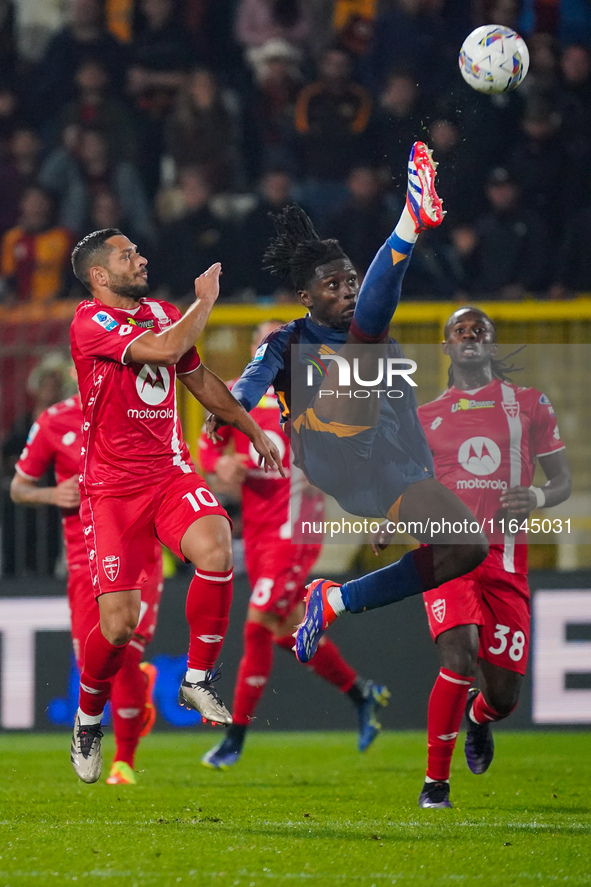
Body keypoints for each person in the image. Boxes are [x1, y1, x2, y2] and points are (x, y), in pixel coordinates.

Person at [206, 143, 488, 676]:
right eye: (333, 286)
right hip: (327, 447)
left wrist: (405, 497)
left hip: (381, 472)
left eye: (353, 282)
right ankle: (411, 218)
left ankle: (335, 600)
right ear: (305, 297)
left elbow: (404, 420)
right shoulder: (289, 339)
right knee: (363, 346)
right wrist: (231, 408)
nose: (347, 292)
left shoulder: (384, 347)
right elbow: (251, 383)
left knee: (466, 547)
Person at [68, 226, 284, 784]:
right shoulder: (90, 322)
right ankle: (89, 719)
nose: (140, 259)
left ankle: (198, 676)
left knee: (215, 543)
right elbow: (166, 349)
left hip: (169, 473)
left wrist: (247, 427)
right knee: (119, 627)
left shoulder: (163, 311)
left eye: (137, 251)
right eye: (127, 255)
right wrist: (206, 301)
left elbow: (196, 376)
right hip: (112, 492)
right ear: (99, 275)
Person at [200, 321, 390, 769]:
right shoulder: (236, 394)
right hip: (259, 532)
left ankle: (235, 737)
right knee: (284, 630)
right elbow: (209, 446)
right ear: (254, 351)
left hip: (295, 531)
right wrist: (220, 465)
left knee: (256, 628)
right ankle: (362, 695)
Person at [412, 306, 571, 808]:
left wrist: (540, 498)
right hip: (446, 552)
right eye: (459, 330)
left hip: (505, 561)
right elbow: (410, 488)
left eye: (479, 330)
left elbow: (562, 480)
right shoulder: (425, 418)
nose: (469, 335)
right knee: (457, 656)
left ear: (492, 346)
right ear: (447, 347)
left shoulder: (529, 404)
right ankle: (436, 785)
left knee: (503, 698)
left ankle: (479, 719)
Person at [10, 386, 161, 786]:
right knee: (96, 661)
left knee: (124, 651)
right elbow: (17, 488)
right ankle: (128, 704)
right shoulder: (54, 421)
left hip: (137, 552)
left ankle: (123, 762)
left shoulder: (144, 410)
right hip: (84, 560)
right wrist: (50, 493)